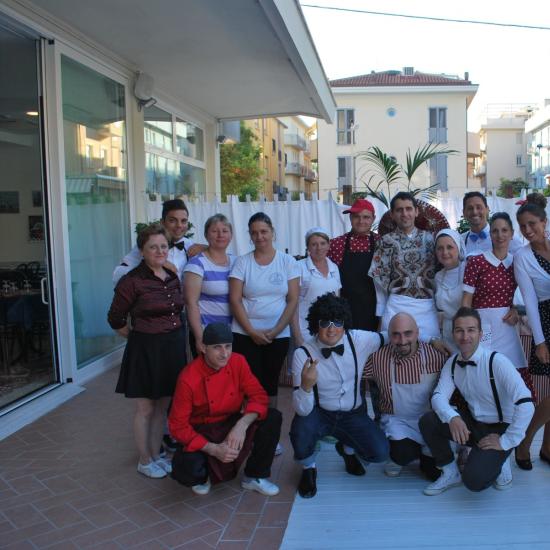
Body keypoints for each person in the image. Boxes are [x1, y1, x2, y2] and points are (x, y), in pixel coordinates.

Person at [419, 307, 534, 495]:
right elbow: (438, 396)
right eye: (459, 330)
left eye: (471, 330)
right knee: (429, 421)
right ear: (453, 333)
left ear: (480, 334)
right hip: (474, 424)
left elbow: (526, 403)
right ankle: (450, 472)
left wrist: (506, 441)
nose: (465, 336)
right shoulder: (453, 363)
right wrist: (452, 417)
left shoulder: (497, 361)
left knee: (474, 481)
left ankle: (501, 458)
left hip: (500, 427)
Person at [289, 294, 389, 498]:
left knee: (380, 452)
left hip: (353, 413)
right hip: (320, 413)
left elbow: (392, 334)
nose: (331, 328)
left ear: (345, 323)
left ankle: (347, 449)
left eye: (337, 321)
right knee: (300, 431)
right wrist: (306, 387)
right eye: (324, 322)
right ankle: (309, 468)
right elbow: (302, 409)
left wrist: (432, 340)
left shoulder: (360, 340)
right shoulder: (302, 354)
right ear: (316, 325)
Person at [107, 224, 186, 479]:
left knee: (163, 406)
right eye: (153, 247)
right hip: (145, 349)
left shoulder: (172, 276)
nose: (159, 251)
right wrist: (136, 336)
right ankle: (144, 460)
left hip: (172, 347)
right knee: (145, 408)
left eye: (163, 246)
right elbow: (115, 318)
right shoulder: (131, 281)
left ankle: (156, 455)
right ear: (142, 251)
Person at [168, 323, 281, 496]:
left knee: (273, 417)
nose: (224, 353)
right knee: (187, 467)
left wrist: (241, 425)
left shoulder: (238, 362)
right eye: (217, 348)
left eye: (228, 346)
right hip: (203, 429)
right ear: (204, 348)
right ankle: (204, 475)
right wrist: (213, 449)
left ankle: (254, 476)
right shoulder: (188, 377)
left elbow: (259, 396)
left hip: (231, 420)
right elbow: (178, 427)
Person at [229, 212, 300, 414]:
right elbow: (234, 300)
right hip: (244, 334)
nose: (259, 236)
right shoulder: (242, 262)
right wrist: (251, 331)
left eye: (264, 231)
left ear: (272, 232)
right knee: (248, 386)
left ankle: (270, 434)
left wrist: (277, 330)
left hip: (277, 336)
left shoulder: (287, 262)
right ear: (249, 236)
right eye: (254, 233)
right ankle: (249, 434)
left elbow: (293, 299)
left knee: (270, 385)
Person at [364, 313, 446, 480]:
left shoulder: (437, 356)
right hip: (398, 422)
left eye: (408, 333)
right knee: (402, 454)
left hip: (428, 421)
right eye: (396, 334)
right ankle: (406, 456)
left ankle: (427, 454)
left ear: (417, 333)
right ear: (389, 336)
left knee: (433, 475)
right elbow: (353, 373)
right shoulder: (377, 358)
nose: (402, 341)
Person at [462, 213, 528, 375]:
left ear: (512, 234)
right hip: (482, 328)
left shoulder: (517, 263)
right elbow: (465, 302)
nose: (500, 235)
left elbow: (528, 296)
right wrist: (467, 330)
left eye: (504, 230)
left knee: (511, 376)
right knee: (482, 373)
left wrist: (517, 310)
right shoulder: (476, 262)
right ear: (490, 233)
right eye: (495, 231)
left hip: (508, 329)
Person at [368, 192, 438, 340]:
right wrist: (380, 316)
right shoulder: (385, 241)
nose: (404, 213)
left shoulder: (431, 240)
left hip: (427, 307)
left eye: (408, 209)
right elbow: (380, 284)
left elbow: (441, 275)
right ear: (392, 214)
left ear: (416, 211)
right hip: (396, 306)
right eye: (399, 210)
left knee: (430, 354)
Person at [513, 193, 550, 470]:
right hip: (547, 322)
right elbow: (531, 303)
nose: (528, 230)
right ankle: (526, 441)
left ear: (544, 221)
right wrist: (540, 341)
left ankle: (546, 447)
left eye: (532, 224)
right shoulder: (522, 258)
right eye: (523, 226)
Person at [113, 199, 202, 285]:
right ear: (162, 222)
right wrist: (155, 265)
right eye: (172, 220)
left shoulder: (190, 245)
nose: (179, 225)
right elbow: (117, 276)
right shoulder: (148, 245)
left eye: (183, 221)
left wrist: (207, 248)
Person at [183, 214, 236, 357]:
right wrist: (200, 337)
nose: (220, 235)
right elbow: (191, 303)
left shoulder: (237, 262)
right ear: (206, 235)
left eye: (225, 231)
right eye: (214, 231)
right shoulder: (197, 263)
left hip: (234, 334)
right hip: (208, 334)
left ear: (231, 235)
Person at [328, 198, 378, 330]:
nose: (361, 221)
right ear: (350, 218)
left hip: (375, 310)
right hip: (345, 310)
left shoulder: (382, 243)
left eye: (366, 217)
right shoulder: (336, 244)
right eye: (356, 217)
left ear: (373, 218)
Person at [291, 227, 341, 346]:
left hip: (329, 331)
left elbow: (337, 302)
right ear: (308, 247)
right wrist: (297, 336)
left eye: (323, 243)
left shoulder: (334, 268)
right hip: (305, 330)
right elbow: (292, 305)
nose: (319, 248)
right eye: (314, 244)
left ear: (329, 245)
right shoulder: (298, 267)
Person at [434, 228, 466, 352]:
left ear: (458, 248)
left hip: (466, 331)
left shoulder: (469, 270)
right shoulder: (438, 277)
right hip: (448, 334)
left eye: (449, 247)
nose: (445, 252)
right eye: (440, 248)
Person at [461, 192, 522, 257]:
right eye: (470, 208)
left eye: (479, 207)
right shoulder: (460, 241)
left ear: (487, 209)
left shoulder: (508, 238)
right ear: (464, 213)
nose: (475, 212)